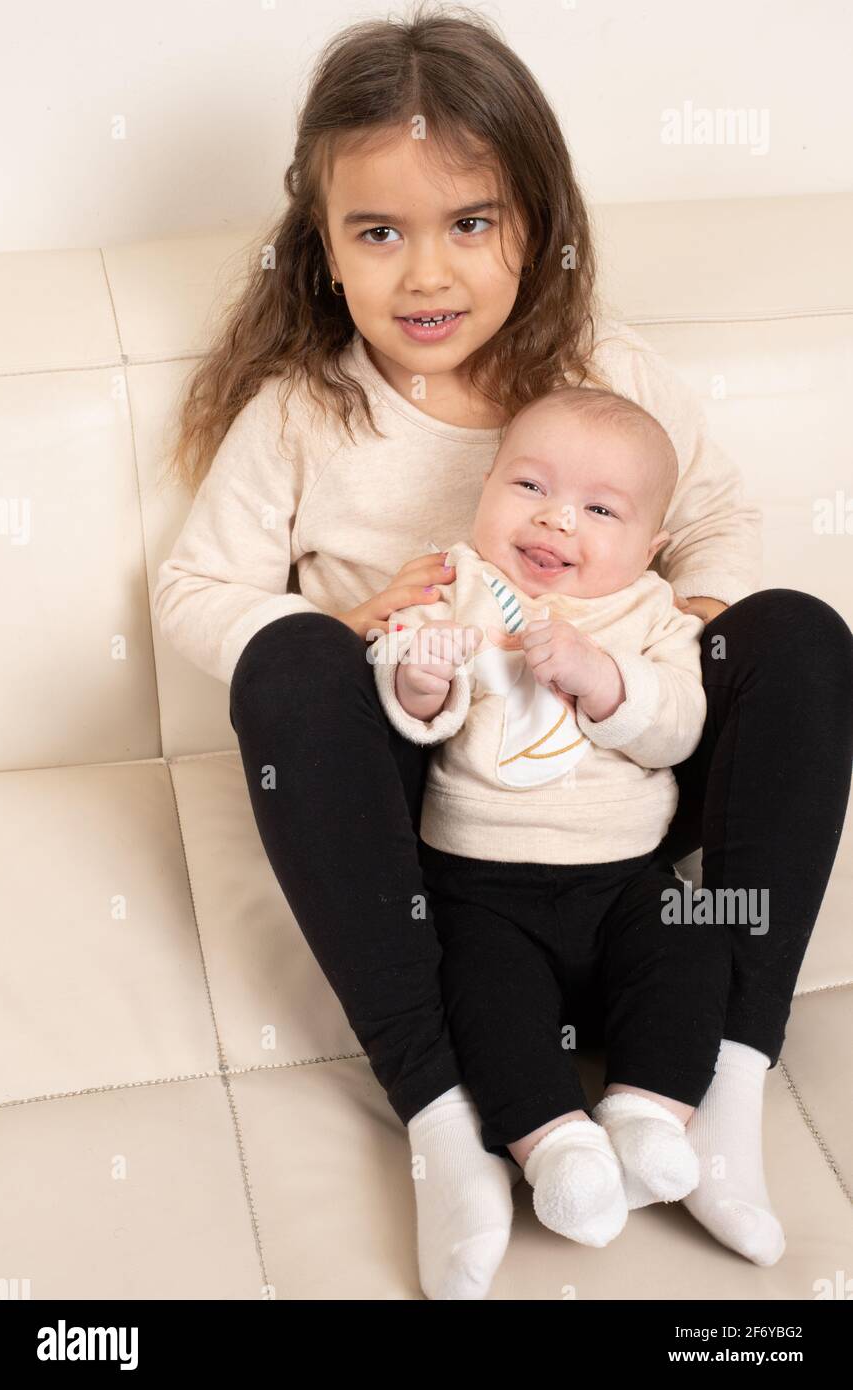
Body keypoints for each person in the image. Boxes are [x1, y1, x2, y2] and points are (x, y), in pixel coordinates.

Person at [153, 6, 853, 1300]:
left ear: (533, 221)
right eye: (380, 232)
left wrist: (668, 645)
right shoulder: (307, 413)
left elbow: (720, 525)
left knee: (800, 638)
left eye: (468, 223)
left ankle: (728, 1086)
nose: (426, 275)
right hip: (441, 810)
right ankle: (440, 1122)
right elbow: (196, 589)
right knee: (287, 665)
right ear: (324, 248)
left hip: (628, 775)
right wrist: (352, 631)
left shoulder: (605, 367)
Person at [370, 383, 729, 1251]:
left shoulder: (649, 611)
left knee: (695, 940)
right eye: (529, 488)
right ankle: (554, 1146)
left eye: (600, 508)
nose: (556, 522)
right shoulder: (458, 583)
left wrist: (604, 677)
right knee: (483, 996)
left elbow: (678, 724)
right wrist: (420, 676)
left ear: (652, 544)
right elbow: (397, 668)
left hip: (626, 880)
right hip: (479, 882)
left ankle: (647, 1113)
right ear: (486, 486)